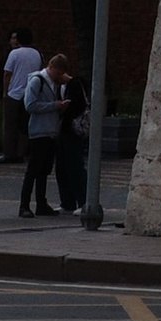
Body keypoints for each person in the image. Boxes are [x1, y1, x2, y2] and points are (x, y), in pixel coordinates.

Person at [18, 53, 65, 217]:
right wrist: (54, 105)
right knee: (33, 170)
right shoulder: (37, 81)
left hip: (50, 131)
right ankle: (24, 205)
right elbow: (30, 105)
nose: (59, 76)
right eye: (58, 73)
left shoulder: (54, 83)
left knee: (44, 170)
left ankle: (41, 203)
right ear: (51, 67)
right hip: (38, 131)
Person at [1, 26, 41, 165]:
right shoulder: (37, 54)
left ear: (18, 40)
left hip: (14, 93)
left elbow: (7, 73)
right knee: (25, 125)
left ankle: (9, 154)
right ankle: (21, 152)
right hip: (30, 93)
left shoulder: (15, 54)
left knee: (10, 125)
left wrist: (5, 91)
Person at [55, 61, 90, 217]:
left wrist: (64, 108)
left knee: (75, 166)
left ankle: (83, 202)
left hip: (73, 131)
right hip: (64, 130)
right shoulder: (61, 87)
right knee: (62, 167)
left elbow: (77, 106)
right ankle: (67, 202)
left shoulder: (75, 84)